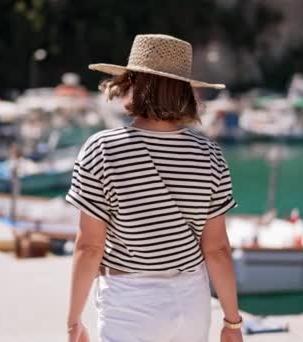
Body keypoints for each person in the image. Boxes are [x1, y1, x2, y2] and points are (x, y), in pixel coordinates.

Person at [65, 34, 243, 342]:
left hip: (129, 302)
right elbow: (216, 250)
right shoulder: (210, 154)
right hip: (191, 300)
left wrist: (74, 320)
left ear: (132, 81)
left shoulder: (102, 149)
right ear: (184, 89)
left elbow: (90, 247)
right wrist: (232, 322)